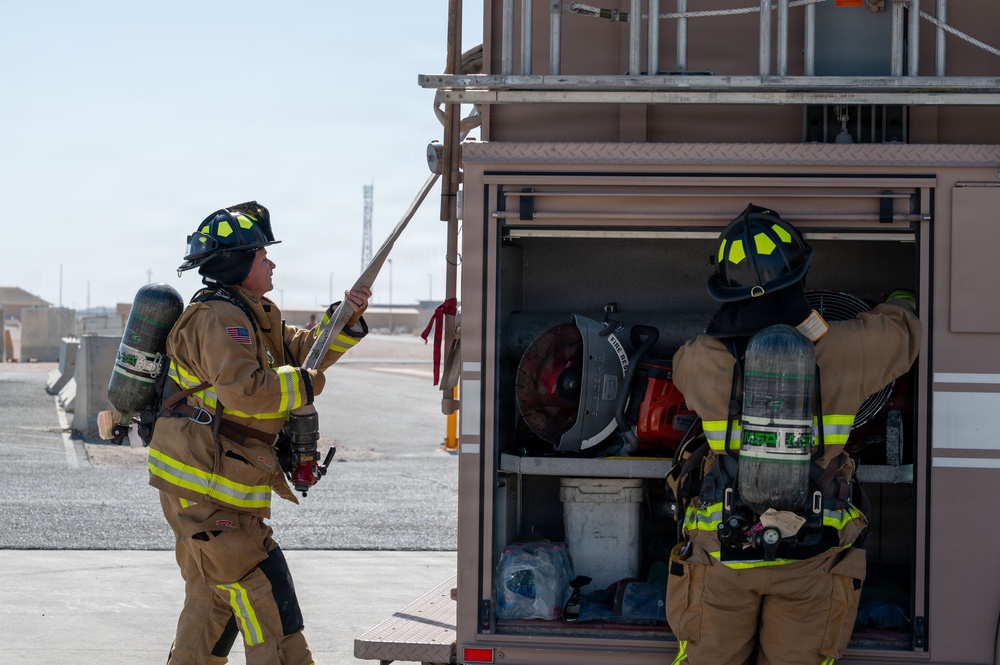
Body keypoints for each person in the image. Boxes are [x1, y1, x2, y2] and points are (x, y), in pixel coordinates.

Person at [665, 203, 920, 665]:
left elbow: (681, 369)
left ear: (724, 287)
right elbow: (904, 334)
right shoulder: (850, 347)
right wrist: (901, 297)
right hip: (813, 555)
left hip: (722, 551)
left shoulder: (699, 357)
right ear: (799, 272)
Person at [147, 201, 371, 665]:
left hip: (217, 486)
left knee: (213, 605)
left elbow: (302, 350)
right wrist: (308, 386)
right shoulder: (216, 320)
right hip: (204, 489)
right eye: (262, 255)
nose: (271, 262)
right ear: (238, 263)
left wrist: (344, 319)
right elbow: (247, 391)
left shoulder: (251, 312)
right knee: (266, 596)